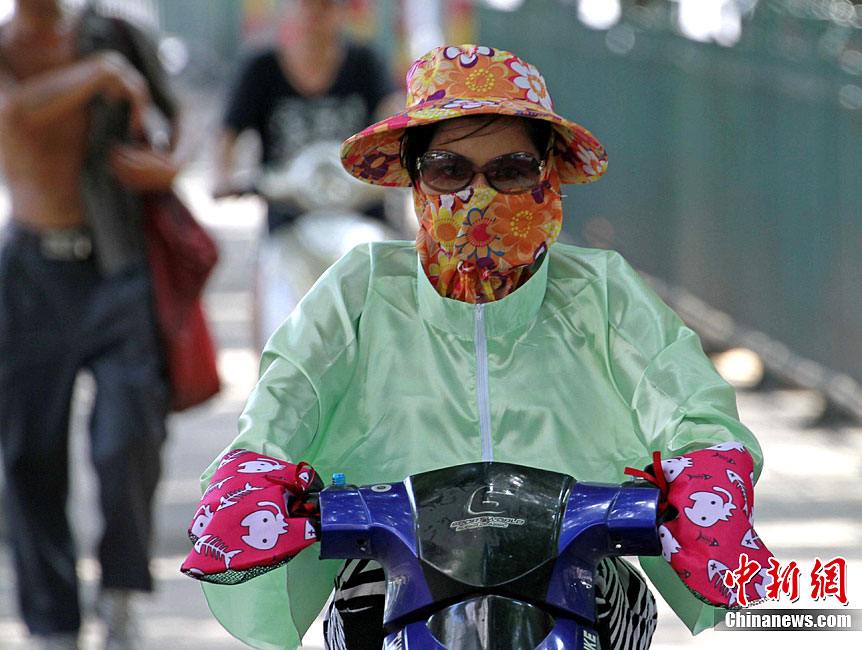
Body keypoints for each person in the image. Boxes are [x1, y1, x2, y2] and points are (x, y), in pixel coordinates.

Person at [193, 45, 763, 650]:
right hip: (389, 580)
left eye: (511, 170)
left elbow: (686, 399)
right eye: (449, 169)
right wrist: (252, 475)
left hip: (581, 572)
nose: (480, 195)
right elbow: (286, 397)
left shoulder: (601, 292)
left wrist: (706, 470)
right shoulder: (359, 289)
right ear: (415, 177)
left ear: (547, 174)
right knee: (359, 606)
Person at [0, 1, 181, 648]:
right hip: (29, 273)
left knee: (127, 438)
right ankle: (51, 620)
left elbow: (171, 115)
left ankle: (122, 590)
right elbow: (13, 113)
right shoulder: (10, 46)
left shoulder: (120, 31)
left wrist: (170, 166)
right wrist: (99, 73)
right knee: (27, 454)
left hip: (117, 265)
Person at [213, 0, 395, 233]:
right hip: (289, 217)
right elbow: (228, 133)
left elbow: (391, 112)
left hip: (360, 212)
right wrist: (223, 178)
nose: (313, 14)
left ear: (342, 12)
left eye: (324, 6)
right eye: (305, 5)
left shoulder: (366, 63)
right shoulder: (260, 68)